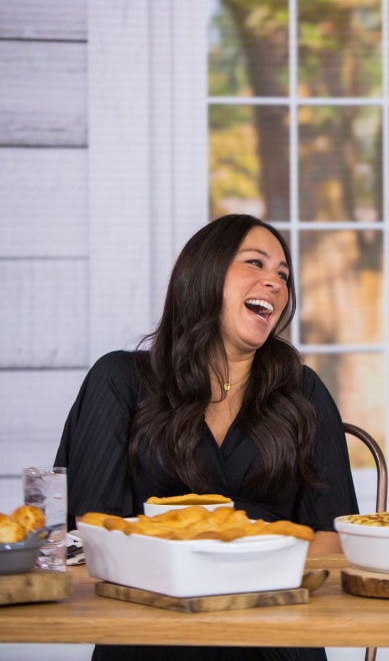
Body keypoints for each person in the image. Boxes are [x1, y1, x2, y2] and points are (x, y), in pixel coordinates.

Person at [55, 214, 358, 661]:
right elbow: (90, 533)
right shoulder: (119, 380)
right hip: (150, 635)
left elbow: (334, 539)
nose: (274, 282)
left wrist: (207, 562)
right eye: (255, 263)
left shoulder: (302, 390)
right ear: (205, 274)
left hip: (274, 635)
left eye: (283, 275)